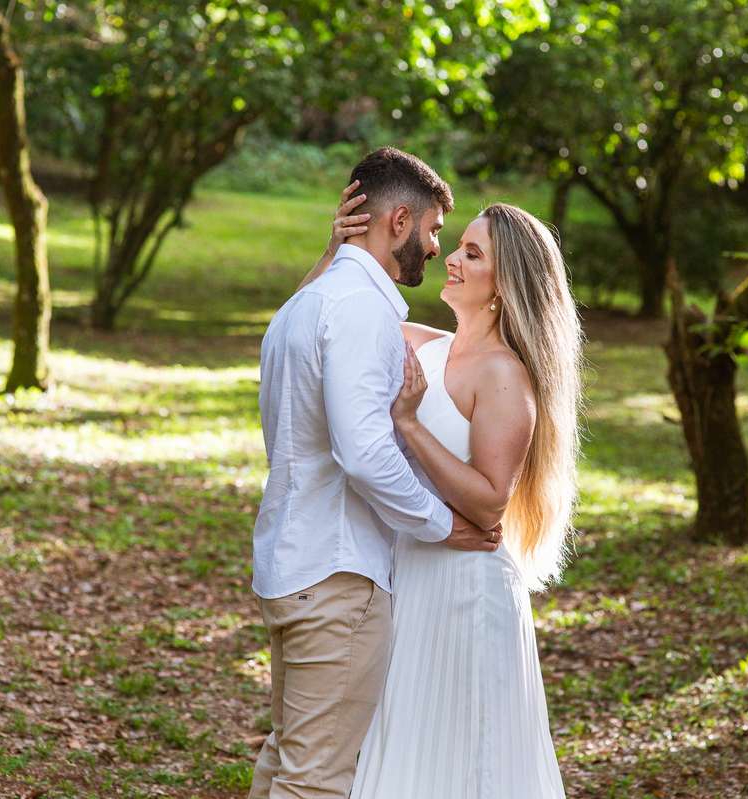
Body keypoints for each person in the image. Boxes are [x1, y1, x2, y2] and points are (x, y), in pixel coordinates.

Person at [311, 187, 584, 798]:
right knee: (405, 747)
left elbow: (490, 502)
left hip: (467, 586)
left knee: (469, 758)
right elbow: (317, 313)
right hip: (410, 576)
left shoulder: (504, 376)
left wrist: (408, 424)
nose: (451, 258)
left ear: (505, 287)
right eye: (457, 246)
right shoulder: (422, 344)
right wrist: (341, 247)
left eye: (473, 254)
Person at [248, 147, 503, 799]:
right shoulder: (361, 309)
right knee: (316, 779)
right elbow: (363, 451)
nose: (436, 246)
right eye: (434, 229)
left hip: (290, 560)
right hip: (337, 576)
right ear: (398, 220)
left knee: (288, 759)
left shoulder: (303, 304)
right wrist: (439, 523)